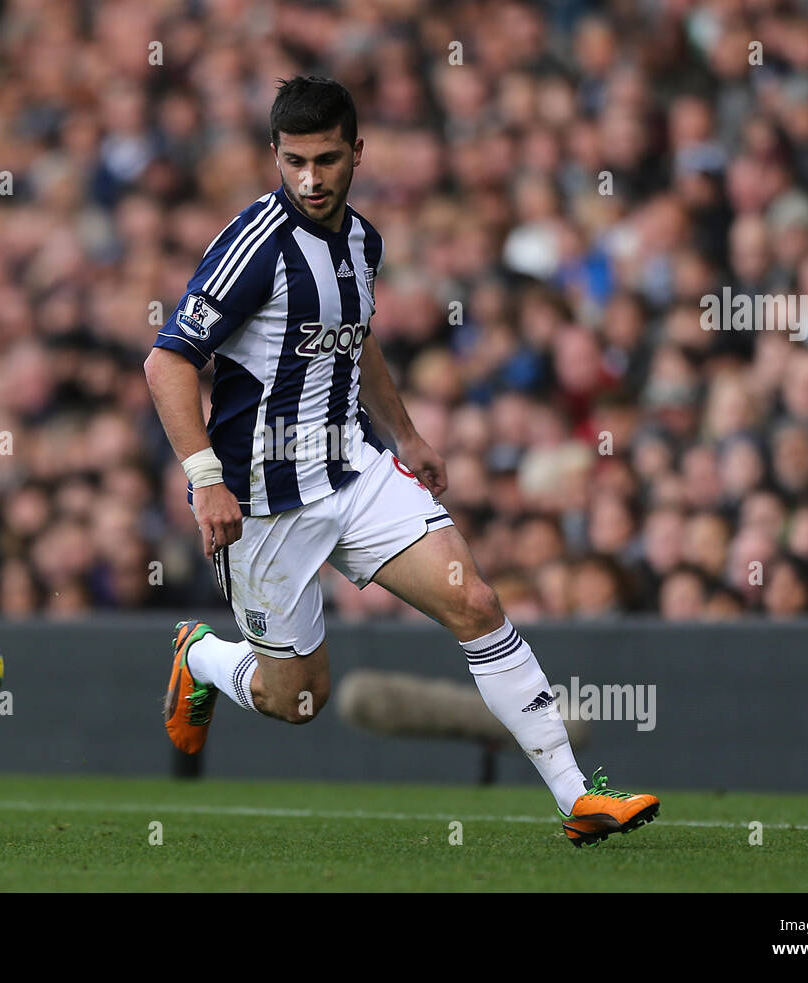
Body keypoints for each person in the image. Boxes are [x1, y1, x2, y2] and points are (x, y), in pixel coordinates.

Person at [143, 76, 658, 846]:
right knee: (298, 700)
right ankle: (206, 657)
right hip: (263, 495)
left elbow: (359, 337)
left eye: (325, 159)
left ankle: (578, 799)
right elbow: (167, 361)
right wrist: (205, 477)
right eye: (293, 162)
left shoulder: (362, 240)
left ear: (358, 150)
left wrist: (406, 437)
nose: (310, 179)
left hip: (352, 467)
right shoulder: (255, 247)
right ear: (274, 157)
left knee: (477, 602)